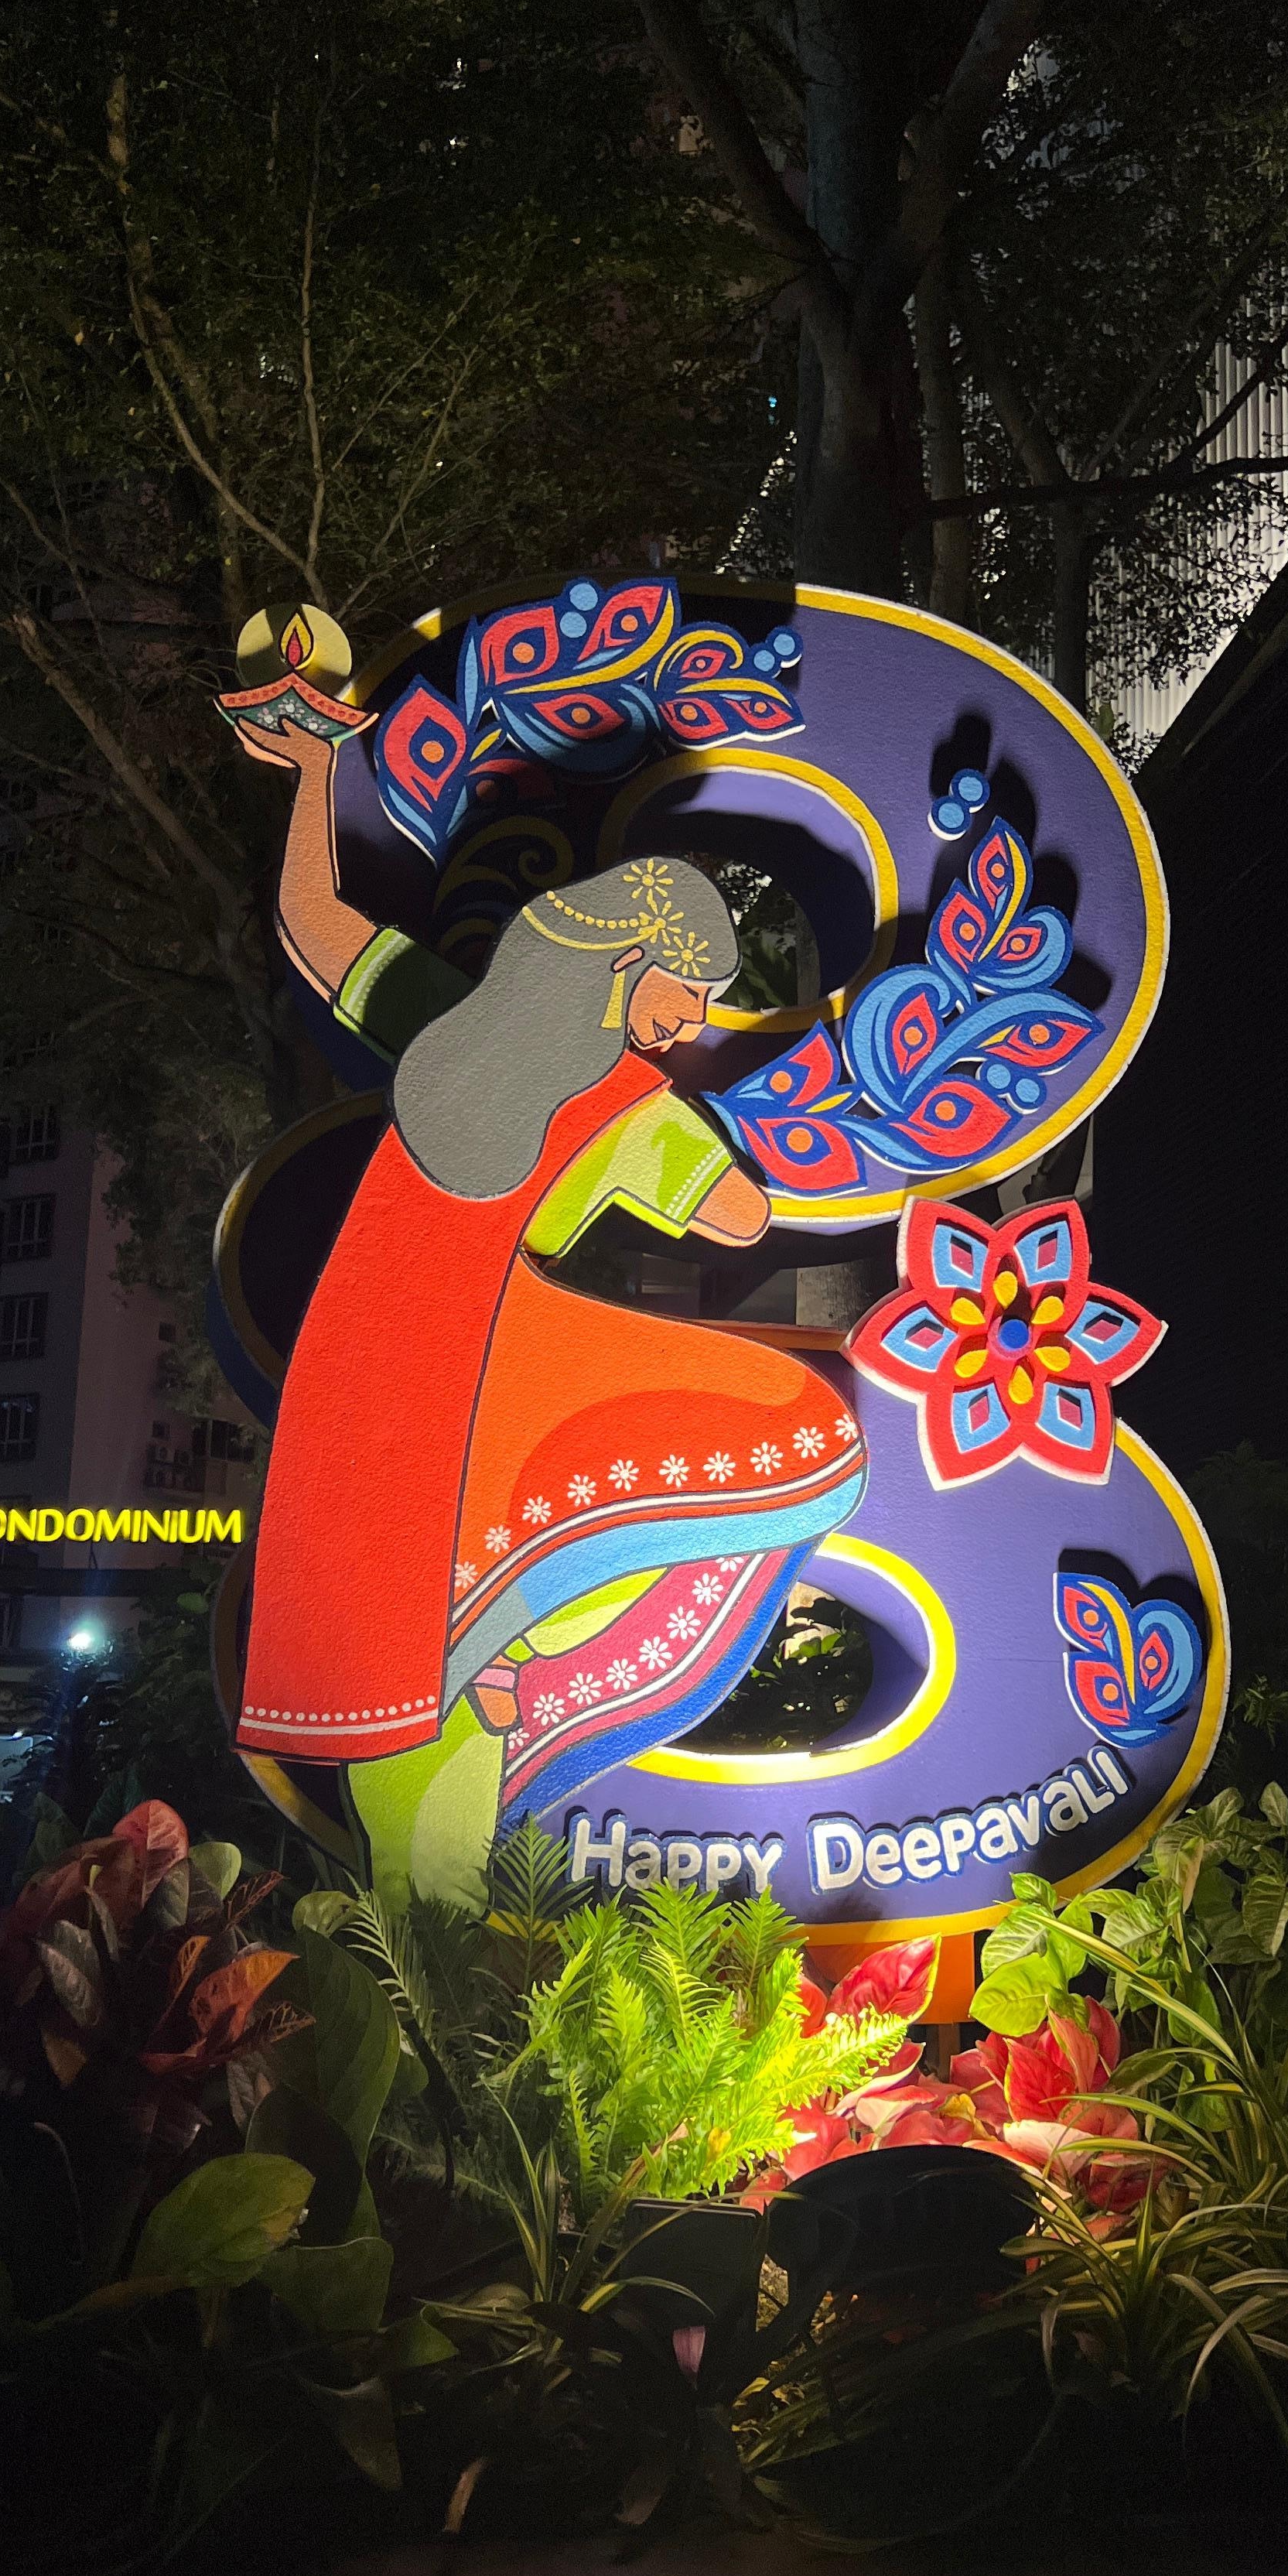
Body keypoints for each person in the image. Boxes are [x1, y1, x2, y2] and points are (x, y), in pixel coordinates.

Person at [225, 687, 866, 1905]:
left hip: (361, 1370)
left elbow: (314, 922)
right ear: (624, 965)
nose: (692, 1025)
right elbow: (747, 1215)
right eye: (688, 994)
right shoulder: (628, 1106)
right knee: (800, 1432)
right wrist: (741, 1104)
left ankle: (496, 1703)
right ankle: (535, 1669)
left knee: (395, 1671)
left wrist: (314, 777)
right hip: (481, 1372)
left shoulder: (443, 1025)